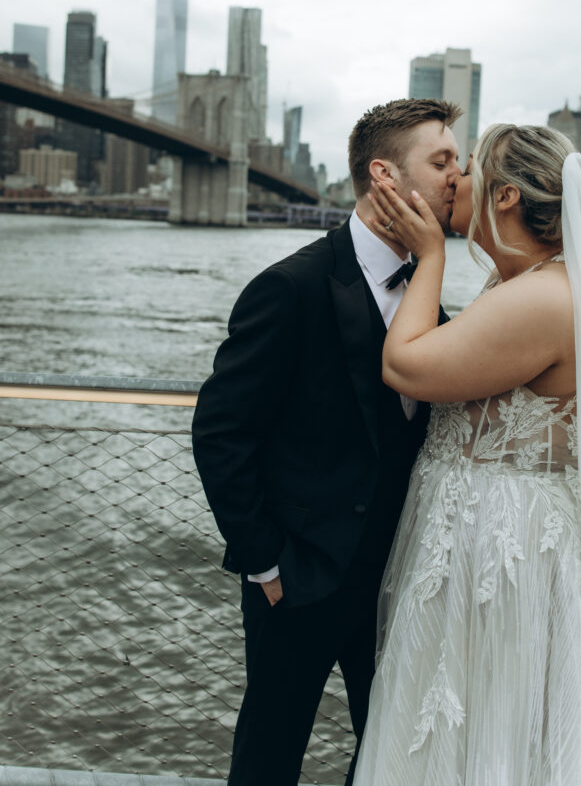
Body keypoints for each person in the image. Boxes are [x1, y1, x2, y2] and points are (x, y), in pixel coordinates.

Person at [353, 123, 581, 785]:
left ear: (503, 198)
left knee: (493, 724)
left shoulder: (540, 297)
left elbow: (408, 366)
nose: (453, 182)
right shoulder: (527, 283)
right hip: (488, 540)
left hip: (502, 554)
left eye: (466, 169)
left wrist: (430, 259)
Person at [191, 97, 464, 786]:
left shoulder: (440, 305)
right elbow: (222, 432)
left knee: (393, 752)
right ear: (384, 175)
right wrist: (264, 564)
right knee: (270, 750)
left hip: (401, 582)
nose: (457, 175)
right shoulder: (288, 288)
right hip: (299, 576)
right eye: (441, 161)